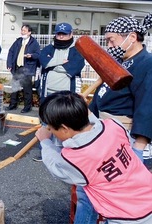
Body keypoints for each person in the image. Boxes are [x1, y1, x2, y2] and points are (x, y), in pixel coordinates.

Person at [75, 13, 152, 223]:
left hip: (123, 136)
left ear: (132, 37)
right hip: (101, 130)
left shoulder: (147, 63)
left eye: (111, 39)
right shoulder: (117, 60)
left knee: (114, 195)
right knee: (88, 190)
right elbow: (101, 95)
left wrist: (139, 146)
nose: (108, 44)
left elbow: (147, 106)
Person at [35, 91, 152, 224]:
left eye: (51, 129)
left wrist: (45, 141)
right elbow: (97, 126)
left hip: (128, 217)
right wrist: (86, 111)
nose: (51, 132)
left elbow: (55, 166)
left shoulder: (76, 158)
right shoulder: (114, 125)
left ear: (64, 129)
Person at [38, 22, 85, 105]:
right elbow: (42, 59)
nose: (61, 36)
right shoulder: (49, 48)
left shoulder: (77, 50)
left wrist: (51, 66)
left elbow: (76, 66)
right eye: (58, 34)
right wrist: (60, 62)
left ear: (71, 34)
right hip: (48, 92)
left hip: (67, 95)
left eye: (64, 34)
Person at [6, 24, 40, 113]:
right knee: (14, 87)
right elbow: (11, 52)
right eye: (22, 30)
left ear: (29, 32)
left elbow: (38, 54)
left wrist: (31, 56)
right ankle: (12, 105)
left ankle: (27, 107)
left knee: (27, 89)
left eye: (24, 31)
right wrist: (9, 64)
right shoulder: (18, 41)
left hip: (27, 68)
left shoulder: (34, 42)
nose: (22, 32)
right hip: (17, 67)